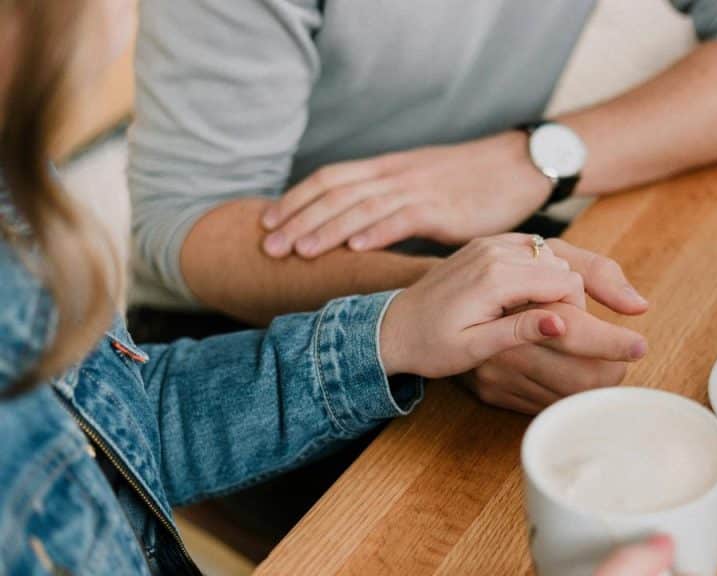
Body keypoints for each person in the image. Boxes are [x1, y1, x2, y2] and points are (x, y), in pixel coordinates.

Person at [0, 0, 646, 573]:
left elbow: (124, 429)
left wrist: (392, 330)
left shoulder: (19, 203)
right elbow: (183, 220)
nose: (128, 17)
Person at [128, 0, 717, 410]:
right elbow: (185, 221)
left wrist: (535, 157)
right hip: (239, 319)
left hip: (475, 238)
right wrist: (436, 306)